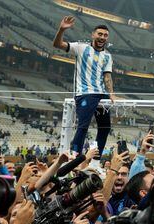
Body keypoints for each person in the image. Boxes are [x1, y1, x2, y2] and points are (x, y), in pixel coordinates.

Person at [52, 16, 117, 165]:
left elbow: (107, 76)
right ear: (93, 35)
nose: (102, 37)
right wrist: (62, 29)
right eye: (99, 34)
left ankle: (95, 162)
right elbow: (57, 44)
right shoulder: (81, 47)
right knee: (83, 126)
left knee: (105, 128)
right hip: (85, 93)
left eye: (105, 35)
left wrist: (111, 93)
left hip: (102, 95)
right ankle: (74, 159)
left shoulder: (107, 56)